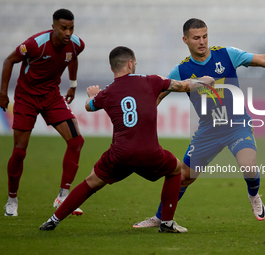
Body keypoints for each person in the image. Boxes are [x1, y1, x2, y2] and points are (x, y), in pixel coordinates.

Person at [133, 18, 265, 228]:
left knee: (248, 166)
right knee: (184, 177)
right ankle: (160, 217)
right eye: (196, 38)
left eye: (205, 36)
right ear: (185, 40)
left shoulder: (227, 54)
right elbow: (159, 95)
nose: (202, 41)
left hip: (237, 125)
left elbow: (264, 59)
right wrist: (142, 115)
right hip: (208, 131)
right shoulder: (181, 70)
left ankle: (254, 195)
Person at [39, 46, 214, 232]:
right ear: (130, 64)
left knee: (91, 182)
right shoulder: (151, 81)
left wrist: (92, 95)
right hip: (150, 153)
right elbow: (186, 85)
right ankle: (167, 223)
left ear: (112, 68)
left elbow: (89, 106)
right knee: (175, 169)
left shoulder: (107, 93)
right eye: (135, 63)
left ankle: (53, 220)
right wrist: (205, 80)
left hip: (119, 155)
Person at [0, 9, 85, 217]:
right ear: (54, 27)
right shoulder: (34, 44)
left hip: (52, 97)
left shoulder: (76, 43)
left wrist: (73, 84)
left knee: (76, 141)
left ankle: (63, 197)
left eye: (71, 28)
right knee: (19, 152)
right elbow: (9, 61)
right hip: (26, 98)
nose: (68, 32)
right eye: (64, 28)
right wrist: (3, 92)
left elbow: (72, 57)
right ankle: (12, 199)